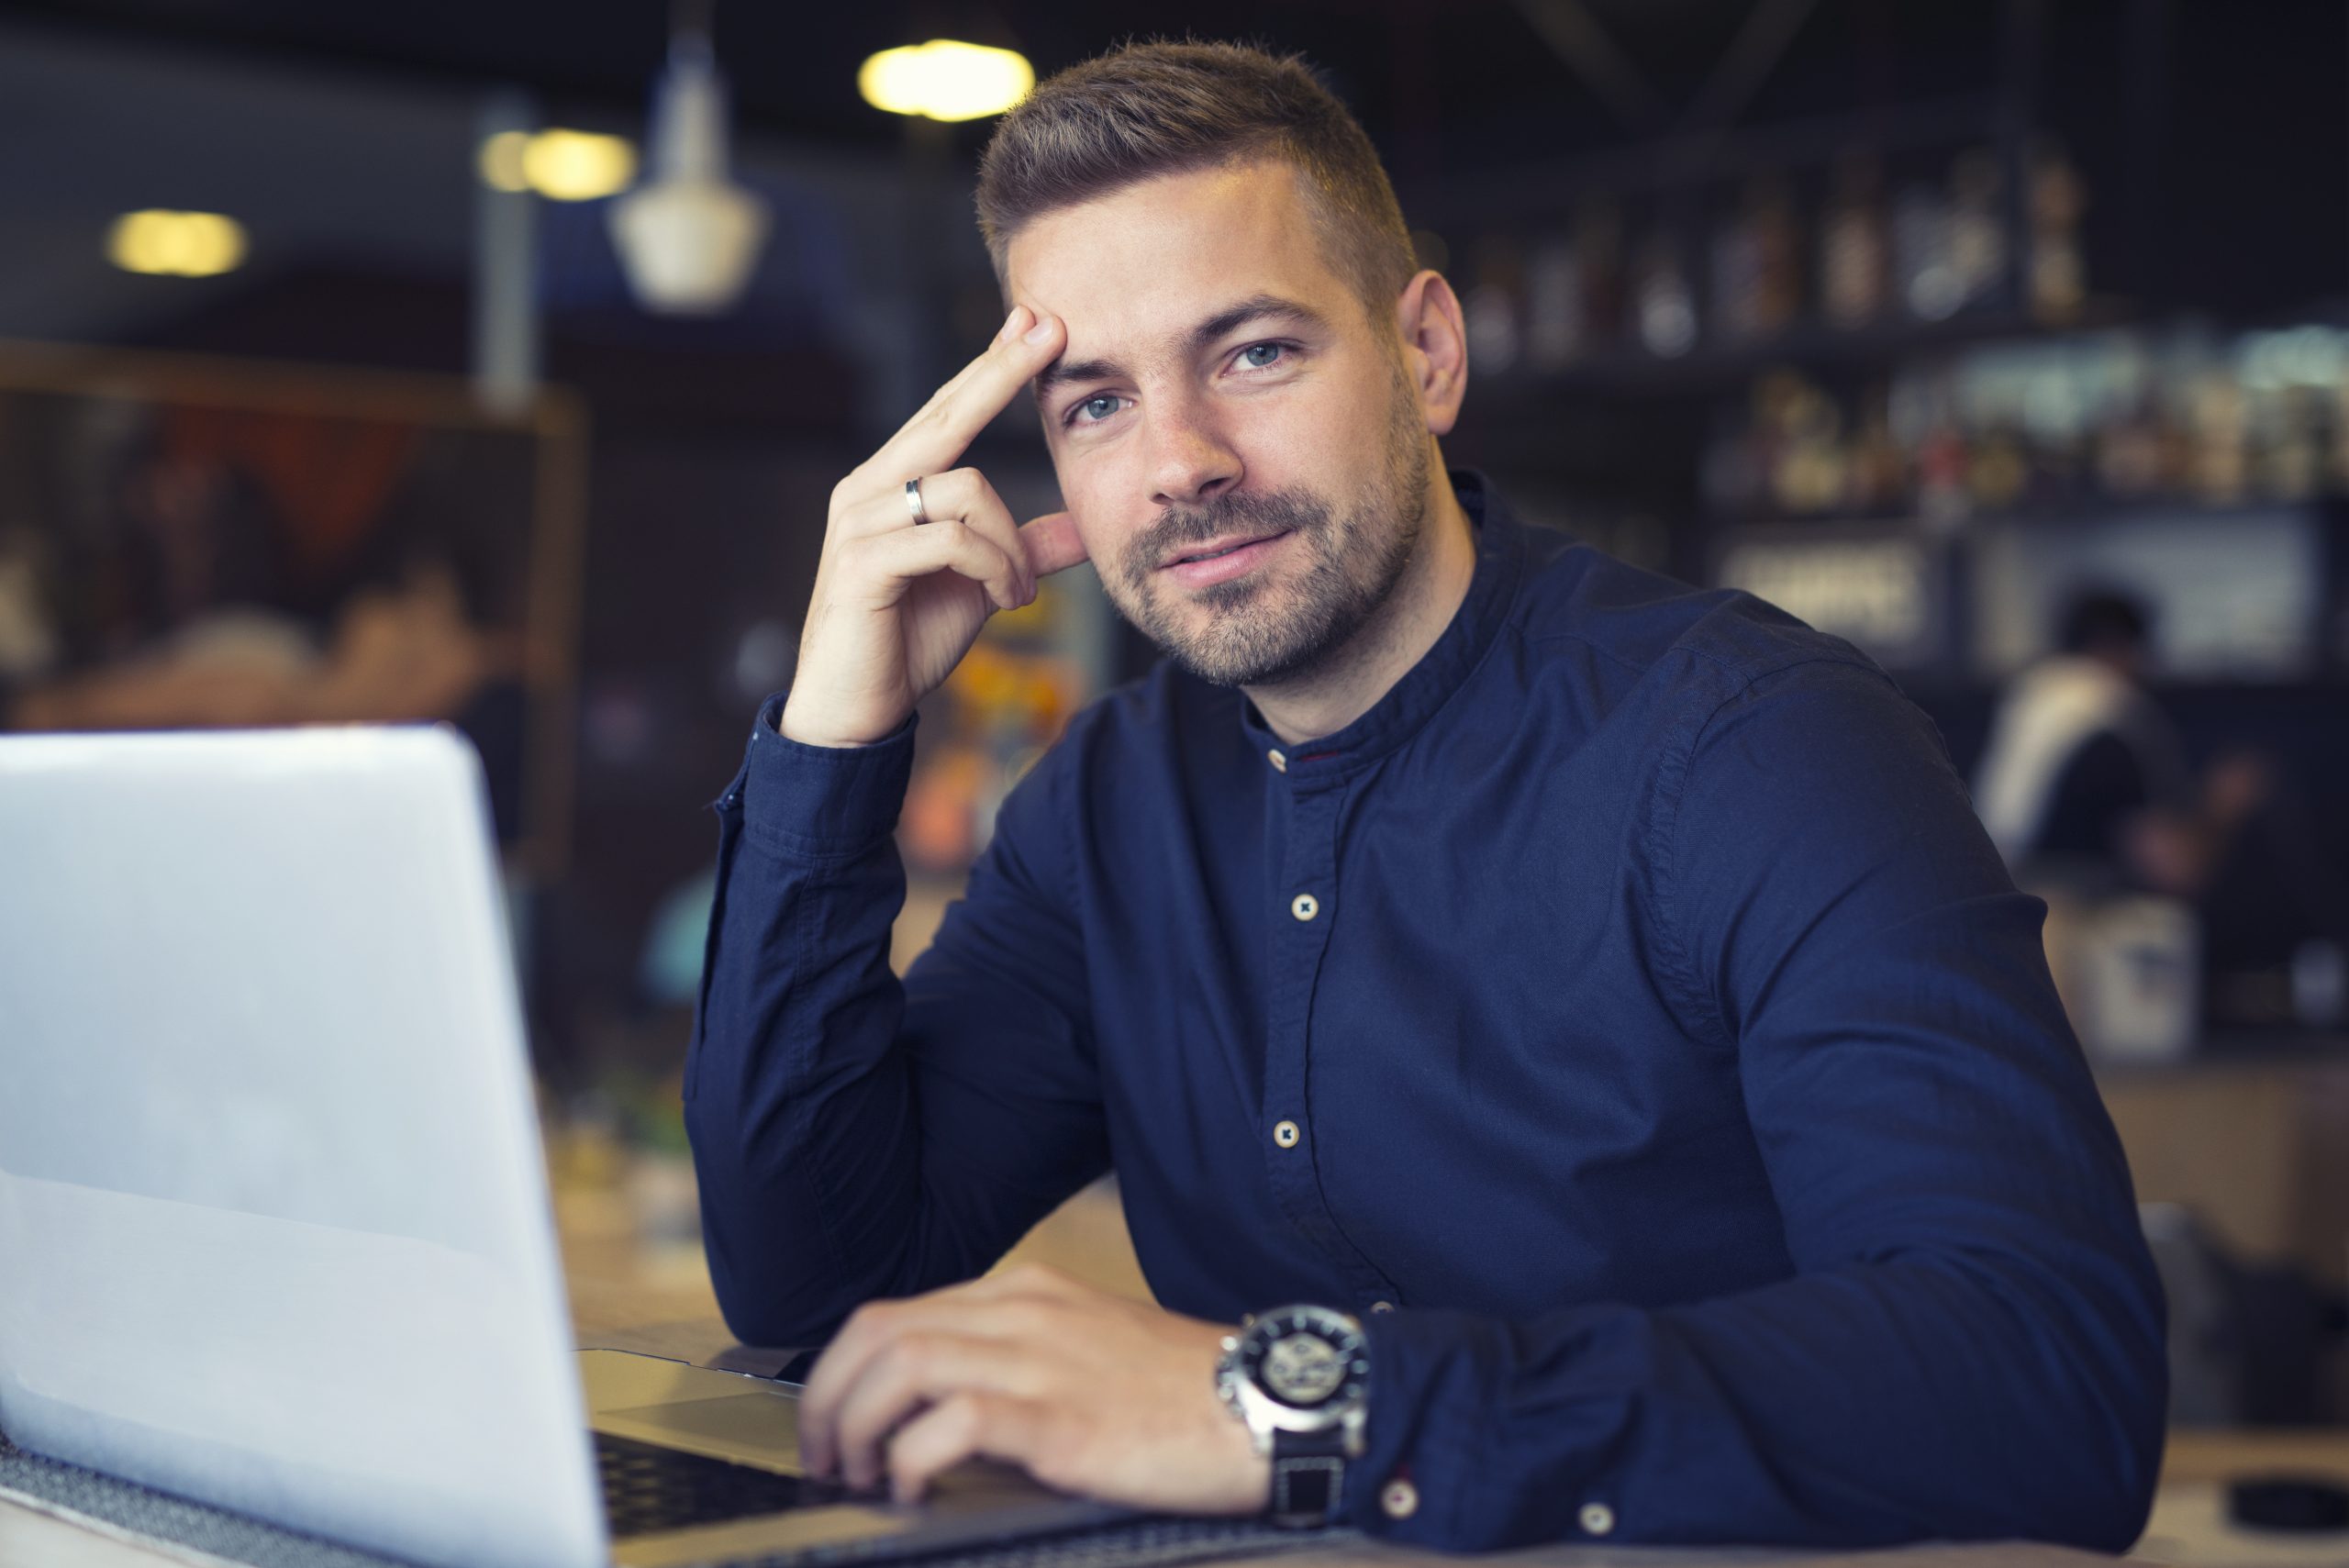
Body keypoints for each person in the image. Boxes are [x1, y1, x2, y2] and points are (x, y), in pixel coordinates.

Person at [685, 41, 2164, 1552]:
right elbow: (817, 1285)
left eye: (1255, 351)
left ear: (1430, 353)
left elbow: (2045, 1382)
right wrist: (835, 735)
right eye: (1095, 403)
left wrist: (1288, 1401)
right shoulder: (1107, 804)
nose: (1179, 462)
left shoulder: (1757, 745)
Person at [1974, 587, 2263, 897]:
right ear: (2120, 646)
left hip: (1997, 906)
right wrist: (2221, 811)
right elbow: (2178, 870)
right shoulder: (2109, 716)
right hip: (2064, 918)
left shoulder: (2030, 698)